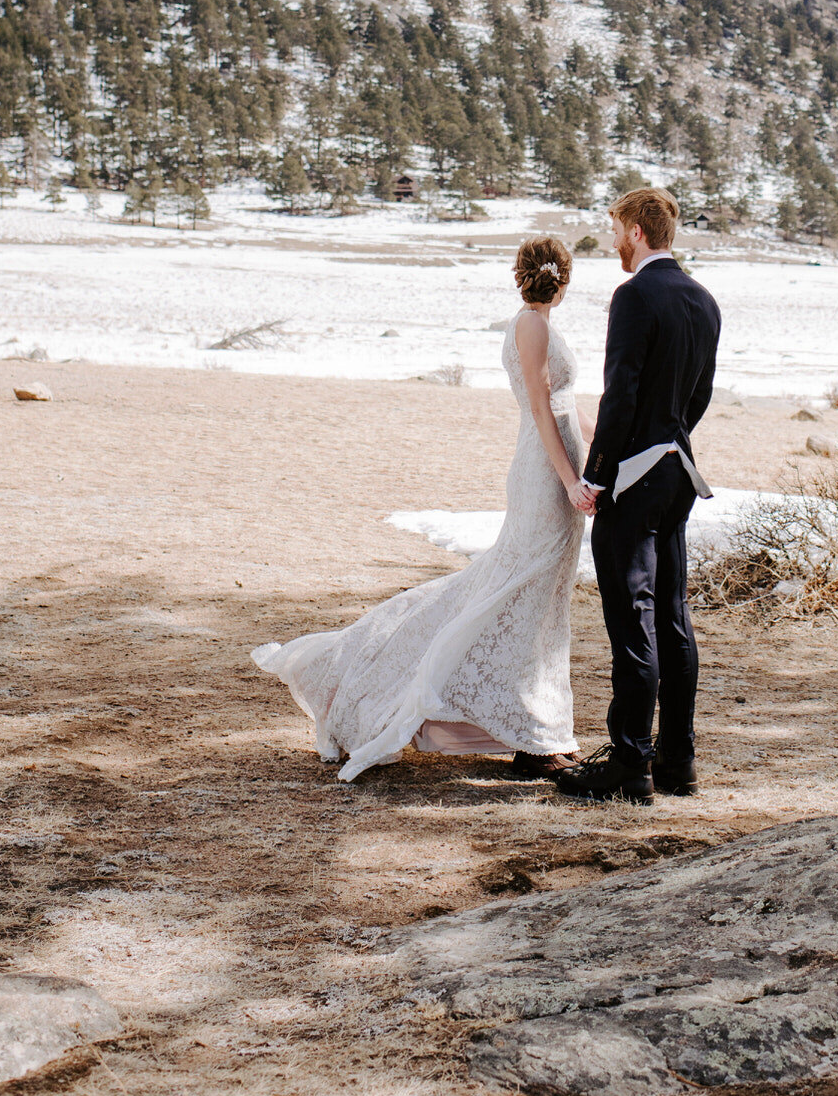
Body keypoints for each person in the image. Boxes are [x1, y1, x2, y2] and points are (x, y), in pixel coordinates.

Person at [251, 236, 597, 782]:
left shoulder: (544, 326)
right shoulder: (531, 324)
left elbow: (567, 407)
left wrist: (602, 456)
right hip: (544, 474)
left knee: (543, 601)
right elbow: (539, 407)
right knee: (522, 594)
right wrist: (571, 480)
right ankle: (527, 736)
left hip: (561, 469)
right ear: (563, 279)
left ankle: (539, 733)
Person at [555, 187, 721, 805]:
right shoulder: (703, 299)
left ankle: (630, 763)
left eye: (617, 229)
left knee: (634, 620)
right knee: (674, 617)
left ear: (636, 229)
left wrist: (597, 474)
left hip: (634, 476)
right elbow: (700, 394)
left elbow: (618, 394)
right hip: (679, 470)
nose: (614, 243)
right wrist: (670, 441)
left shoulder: (633, 296)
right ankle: (679, 761)